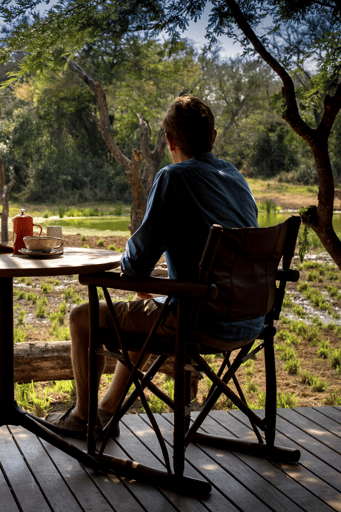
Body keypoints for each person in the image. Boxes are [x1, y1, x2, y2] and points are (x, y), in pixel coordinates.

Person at [45, 96, 262, 438]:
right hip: (250, 320)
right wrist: (161, 279)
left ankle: (83, 420)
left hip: (200, 321)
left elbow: (136, 263)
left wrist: (143, 274)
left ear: (170, 141)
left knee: (81, 317)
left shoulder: (173, 178)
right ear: (214, 136)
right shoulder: (236, 179)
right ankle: (107, 410)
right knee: (150, 311)